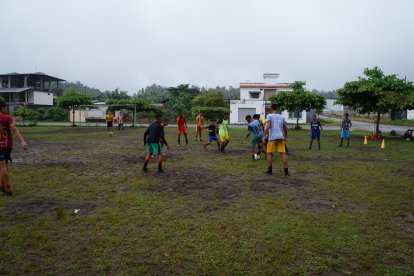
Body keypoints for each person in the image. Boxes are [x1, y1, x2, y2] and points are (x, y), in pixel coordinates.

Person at [0, 102, 28, 196]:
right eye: (6, 107)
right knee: (4, 167)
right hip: (7, 145)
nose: (7, 109)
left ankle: (7, 189)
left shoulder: (7, 117)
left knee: (3, 167)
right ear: (2, 108)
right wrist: (22, 141)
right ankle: (2, 187)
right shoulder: (7, 118)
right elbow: (14, 129)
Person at [263, 104, 289, 176]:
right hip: (280, 137)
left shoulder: (269, 116)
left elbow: (268, 125)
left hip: (272, 137)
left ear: (271, 109)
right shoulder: (282, 116)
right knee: (283, 153)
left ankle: (270, 171)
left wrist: (264, 136)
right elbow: (286, 128)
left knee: (269, 153)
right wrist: (285, 136)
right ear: (277, 108)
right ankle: (286, 172)